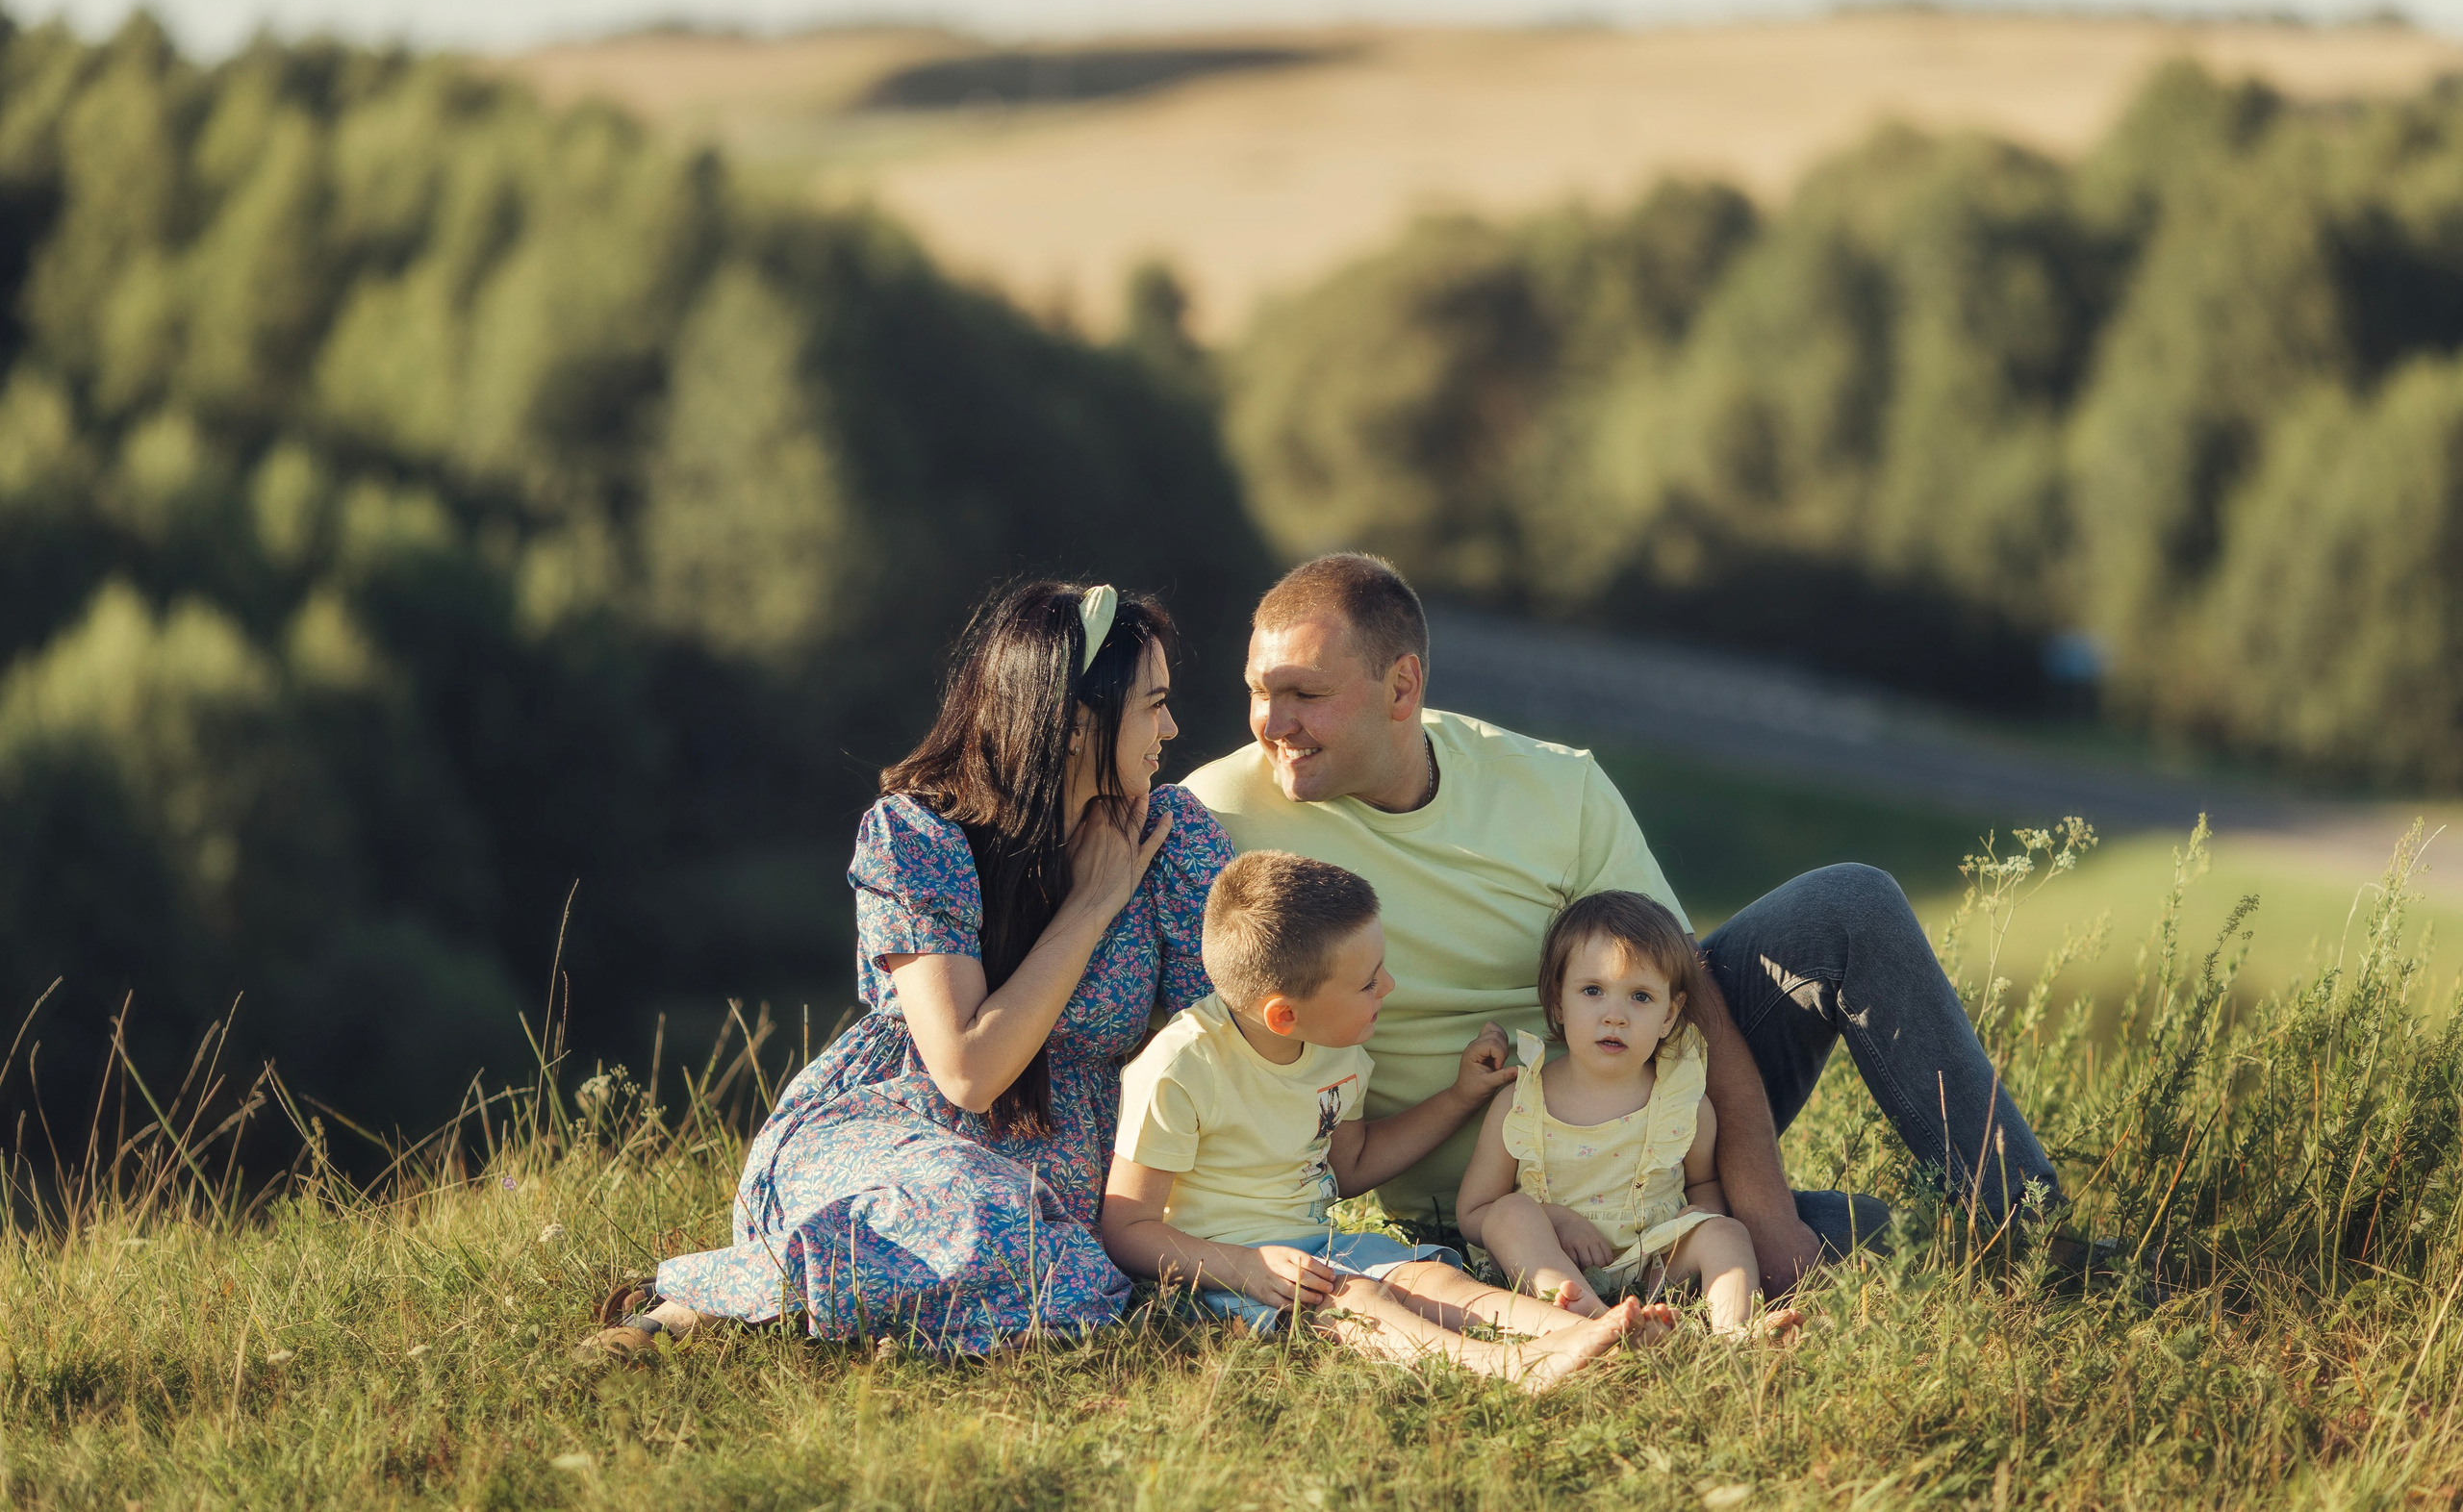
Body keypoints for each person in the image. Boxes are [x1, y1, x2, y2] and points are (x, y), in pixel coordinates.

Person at [1183, 552, 2060, 1293]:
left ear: (1401, 686)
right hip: (1504, 1207)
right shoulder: (1216, 816)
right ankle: (2058, 1268)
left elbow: (1693, 991)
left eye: (1304, 693)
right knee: (1899, 1244)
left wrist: (1755, 1209)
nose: (1274, 722)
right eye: (1260, 691)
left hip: (1658, 1136)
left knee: (1851, 903)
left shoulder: (1555, 788)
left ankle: (2032, 1220)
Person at [600, 581, 1234, 1357]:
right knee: (991, 1220)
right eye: (1153, 704)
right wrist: (1093, 904)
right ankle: (692, 1307)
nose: (1171, 726)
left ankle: (830, 1307)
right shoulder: (922, 838)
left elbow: (1225, 1041)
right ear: (1073, 722)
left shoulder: (1172, 838)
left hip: (1059, 1185)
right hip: (895, 1132)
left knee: (1069, 1269)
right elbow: (968, 1072)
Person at [1102, 850, 1673, 1390]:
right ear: (1284, 1014)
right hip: (1230, 1269)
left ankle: (1591, 1329)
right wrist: (1247, 1267)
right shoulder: (1180, 1069)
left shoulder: (1336, 1043)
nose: (1389, 986)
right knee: (1357, 1301)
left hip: (1321, 1245)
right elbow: (1128, 1230)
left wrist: (1459, 1096)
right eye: (1368, 981)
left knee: (1432, 1279)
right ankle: (1508, 1367)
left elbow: (1348, 1166)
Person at [1459, 891, 1805, 1344]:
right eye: (1592, 991)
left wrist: (1697, 1222)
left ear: (1670, 1015)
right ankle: (1597, 1323)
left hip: (1654, 1264)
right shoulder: (1523, 1102)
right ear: (1558, 1003)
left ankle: (1735, 1333)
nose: (1615, 1016)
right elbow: (1472, 1213)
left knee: (1725, 1233)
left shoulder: (1682, 1105)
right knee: (1508, 1215)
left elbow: (1702, 1187)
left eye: (1640, 997)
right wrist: (1556, 1219)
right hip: (1552, 1264)